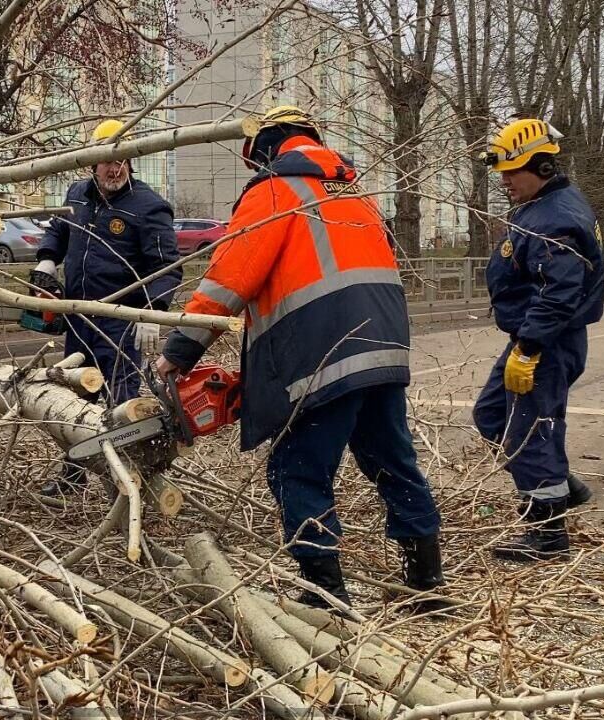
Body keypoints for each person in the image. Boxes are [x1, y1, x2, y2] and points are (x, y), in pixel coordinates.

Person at [156, 105, 443, 607]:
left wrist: (180, 350)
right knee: (391, 460)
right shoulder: (356, 195)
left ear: (268, 146)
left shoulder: (274, 192)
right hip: (385, 347)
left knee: (296, 468)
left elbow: (229, 279)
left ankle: (325, 596)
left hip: (324, 351)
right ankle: (426, 581)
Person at [473, 118, 604, 562]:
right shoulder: (544, 205)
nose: (505, 181)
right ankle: (563, 488)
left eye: (513, 172)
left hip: (545, 342)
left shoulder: (556, 219)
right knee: (492, 414)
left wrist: (529, 349)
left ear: (543, 167)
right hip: (533, 337)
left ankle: (547, 534)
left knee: (528, 431)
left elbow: (559, 292)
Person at [34, 118, 182, 496]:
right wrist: (47, 260)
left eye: (121, 161)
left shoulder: (148, 206)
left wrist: (150, 311)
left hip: (120, 322)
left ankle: (123, 482)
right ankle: (72, 475)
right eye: (106, 161)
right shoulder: (77, 195)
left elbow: (166, 267)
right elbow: (58, 229)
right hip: (80, 315)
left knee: (120, 400)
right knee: (75, 398)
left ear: (131, 162)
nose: (114, 168)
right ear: (93, 163)